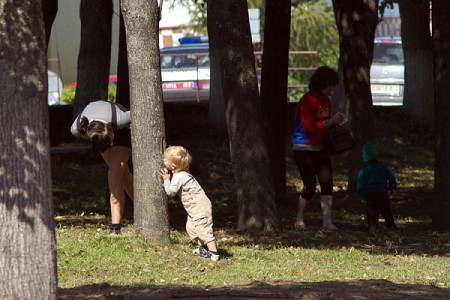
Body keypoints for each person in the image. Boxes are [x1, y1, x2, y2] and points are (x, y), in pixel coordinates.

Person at [292, 66, 345, 231]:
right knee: (309, 184)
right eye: (330, 85)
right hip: (304, 147)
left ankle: (327, 221)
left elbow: (324, 124)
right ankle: (299, 217)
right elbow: (309, 127)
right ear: (322, 84)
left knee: (327, 183)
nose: (333, 89)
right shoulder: (307, 101)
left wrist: (335, 123)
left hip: (321, 147)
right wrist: (330, 122)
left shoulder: (326, 102)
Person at [71, 100, 133, 235]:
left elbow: (139, 113)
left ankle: (115, 228)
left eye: (110, 141)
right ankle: (144, 207)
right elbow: (94, 137)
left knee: (114, 177)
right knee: (123, 176)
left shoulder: (121, 120)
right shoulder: (78, 128)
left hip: (121, 133)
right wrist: (100, 140)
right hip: (99, 137)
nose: (110, 146)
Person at [159, 146, 219, 261]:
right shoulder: (182, 174)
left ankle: (213, 253)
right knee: (191, 228)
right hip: (194, 208)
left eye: (165, 159)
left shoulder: (179, 176)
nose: (163, 161)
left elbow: (170, 192)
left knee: (203, 229)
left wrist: (166, 180)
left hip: (199, 206)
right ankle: (203, 248)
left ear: (173, 166)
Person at [357, 141, 397, 234]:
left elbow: (360, 183)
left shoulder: (364, 170)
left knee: (372, 213)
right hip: (382, 193)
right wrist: (392, 187)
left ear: (364, 156)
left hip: (370, 195)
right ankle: (390, 226)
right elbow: (391, 177)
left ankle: (372, 227)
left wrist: (361, 195)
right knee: (386, 210)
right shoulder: (383, 167)